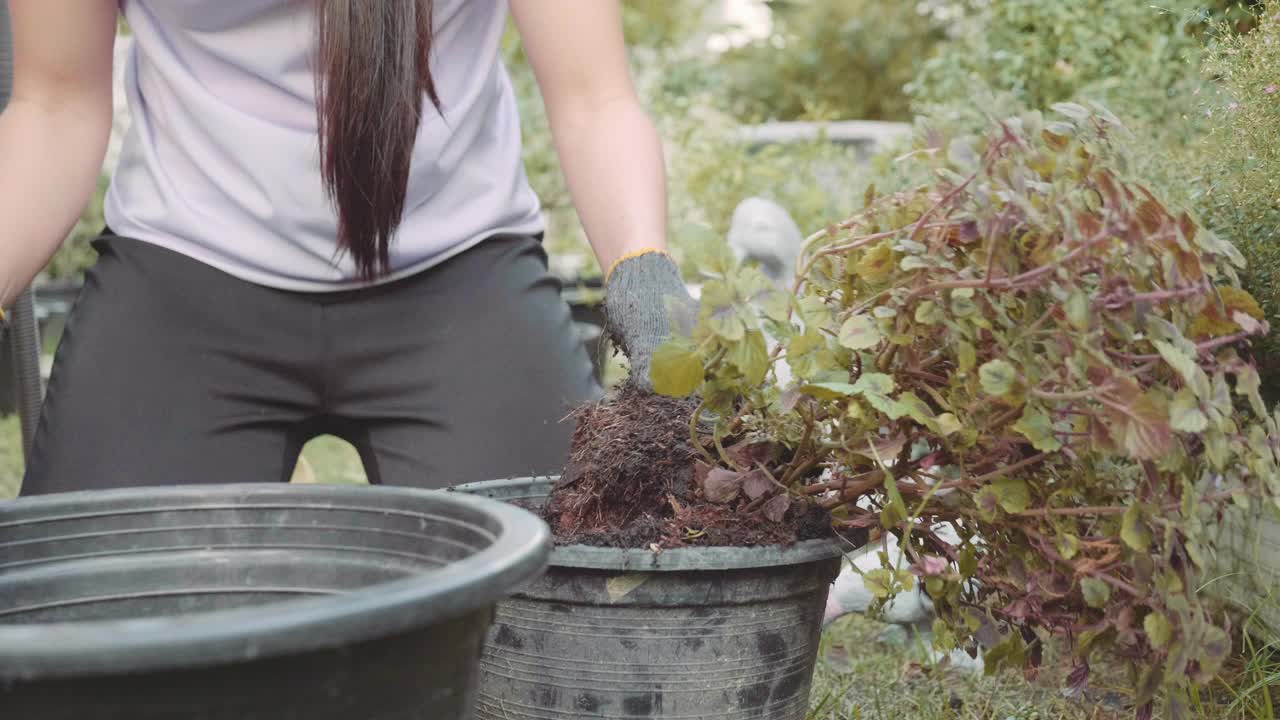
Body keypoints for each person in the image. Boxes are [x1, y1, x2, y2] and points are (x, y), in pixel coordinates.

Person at [0, 0, 698, 496]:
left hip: (459, 276)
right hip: (183, 276)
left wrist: (643, 271)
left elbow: (593, 98)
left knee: (580, 602)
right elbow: (55, 106)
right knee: (88, 640)